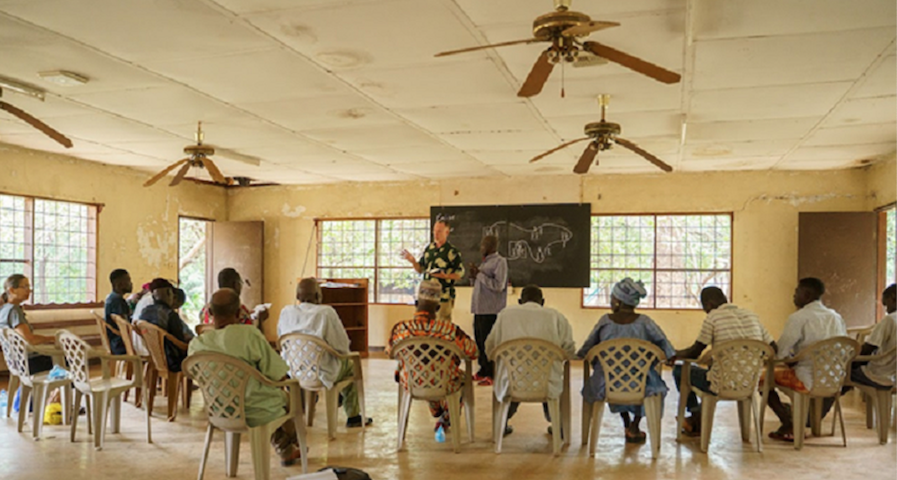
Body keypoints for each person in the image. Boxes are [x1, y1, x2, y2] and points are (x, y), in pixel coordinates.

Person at [187, 288, 303, 466]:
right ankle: (291, 446)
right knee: (286, 399)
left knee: (269, 400)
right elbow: (277, 375)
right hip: (256, 410)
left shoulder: (197, 344)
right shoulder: (249, 335)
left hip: (218, 409)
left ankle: (286, 448)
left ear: (209, 312)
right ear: (240, 312)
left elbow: (195, 375)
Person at [577, 278, 675, 444]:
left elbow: (588, 348)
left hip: (607, 383)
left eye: (612, 298)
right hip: (641, 382)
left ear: (617, 301)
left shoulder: (605, 321)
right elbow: (663, 343)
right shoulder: (645, 322)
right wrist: (670, 356)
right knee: (648, 385)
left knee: (610, 377)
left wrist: (581, 355)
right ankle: (634, 426)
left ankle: (626, 422)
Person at [672, 286, 776, 436]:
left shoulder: (713, 317)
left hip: (720, 384)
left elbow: (694, 352)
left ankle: (695, 416)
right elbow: (774, 348)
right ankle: (696, 420)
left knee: (680, 370)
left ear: (708, 304)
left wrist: (673, 354)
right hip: (750, 383)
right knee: (713, 371)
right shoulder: (751, 315)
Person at [277, 277, 372, 428]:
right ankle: (353, 415)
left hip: (295, 371)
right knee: (351, 364)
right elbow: (342, 346)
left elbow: (281, 339)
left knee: (334, 363)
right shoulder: (326, 312)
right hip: (323, 372)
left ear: (297, 296)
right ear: (318, 296)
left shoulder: (286, 312)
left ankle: (333, 399)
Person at [386, 279, 477, 432]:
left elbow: (389, 352)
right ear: (438, 307)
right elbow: (473, 352)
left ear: (416, 303)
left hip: (412, 381)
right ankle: (446, 418)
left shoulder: (400, 329)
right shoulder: (449, 330)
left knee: (424, 371)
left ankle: (437, 410)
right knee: (460, 378)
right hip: (444, 381)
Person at [484, 285, 574, 436]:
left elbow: (490, 348)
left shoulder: (505, 315)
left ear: (520, 301)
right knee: (549, 379)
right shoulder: (556, 316)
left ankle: (503, 423)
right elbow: (569, 351)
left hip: (512, 381)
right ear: (543, 301)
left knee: (512, 377)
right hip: (547, 383)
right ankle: (558, 424)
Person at [767, 277, 847, 442]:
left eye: (797, 292)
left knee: (763, 379)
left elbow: (781, 352)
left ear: (807, 294)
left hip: (806, 380)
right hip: (834, 379)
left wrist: (789, 359)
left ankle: (788, 421)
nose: (794, 296)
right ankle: (805, 421)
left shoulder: (798, 317)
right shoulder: (836, 317)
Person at [402, 220, 464, 321]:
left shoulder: (452, 251)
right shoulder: (429, 249)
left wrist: (446, 276)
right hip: (426, 296)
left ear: (447, 232)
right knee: (424, 324)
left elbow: (459, 274)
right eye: (434, 231)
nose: (436, 234)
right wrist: (413, 261)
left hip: (443, 296)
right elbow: (420, 269)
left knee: (442, 326)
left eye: (439, 231)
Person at [469, 235, 508, 386]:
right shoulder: (485, 262)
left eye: (485, 244)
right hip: (479, 308)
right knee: (479, 340)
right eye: (482, 244)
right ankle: (483, 369)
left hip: (491, 309)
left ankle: (492, 373)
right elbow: (481, 283)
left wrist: (479, 274)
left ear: (493, 246)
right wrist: (474, 276)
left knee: (489, 342)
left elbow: (499, 285)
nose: (481, 247)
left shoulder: (500, 262)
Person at [0, 274, 55, 373]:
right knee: (68, 359)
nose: (29, 290)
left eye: (29, 287)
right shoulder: (14, 310)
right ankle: (70, 388)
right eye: (25, 287)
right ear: (12, 290)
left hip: (14, 362)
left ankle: (57, 388)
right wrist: (53, 339)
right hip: (27, 363)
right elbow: (29, 339)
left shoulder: (4, 309)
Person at [138, 278, 195, 372]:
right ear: (169, 293)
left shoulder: (145, 311)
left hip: (155, 357)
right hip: (172, 361)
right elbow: (179, 344)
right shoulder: (170, 315)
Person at [849, 284, 896, 389]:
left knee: (842, 373)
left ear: (893, 297)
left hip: (882, 374)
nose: (886, 310)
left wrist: (850, 360)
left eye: (886, 304)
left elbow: (869, 347)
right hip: (894, 373)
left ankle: (821, 404)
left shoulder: (890, 320)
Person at [200, 268, 268, 327]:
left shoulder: (205, 310)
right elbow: (250, 336)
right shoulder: (240, 311)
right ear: (236, 285)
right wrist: (260, 321)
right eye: (240, 283)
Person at [104, 269, 133, 355]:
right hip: (120, 344)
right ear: (119, 284)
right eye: (128, 280)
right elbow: (126, 327)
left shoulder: (111, 297)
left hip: (114, 342)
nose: (131, 283)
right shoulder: (118, 302)